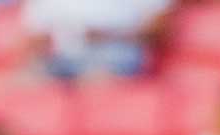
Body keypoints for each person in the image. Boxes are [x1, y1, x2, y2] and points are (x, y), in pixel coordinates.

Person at [22, 0, 168, 79]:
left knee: (96, 83)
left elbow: (158, 30)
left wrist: (106, 36)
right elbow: (35, 38)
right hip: (63, 59)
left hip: (116, 59)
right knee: (27, 83)